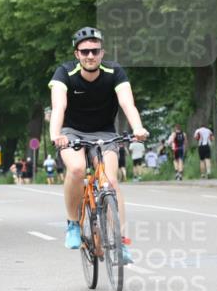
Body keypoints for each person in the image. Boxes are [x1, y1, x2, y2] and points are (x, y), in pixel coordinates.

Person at [49, 26, 148, 263]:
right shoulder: (64, 73)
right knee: (76, 169)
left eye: (95, 51)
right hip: (71, 132)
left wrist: (138, 128)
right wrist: (55, 134)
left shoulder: (115, 72)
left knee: (111, 182)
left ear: (102, 53)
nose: (90, 56)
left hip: (104, 133)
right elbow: (58, 107)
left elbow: (127, 103)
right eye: (85, 52)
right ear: (77, 54)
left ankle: (121, 242)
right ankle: (73, 224)